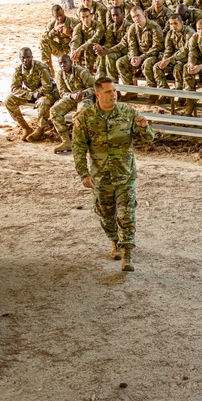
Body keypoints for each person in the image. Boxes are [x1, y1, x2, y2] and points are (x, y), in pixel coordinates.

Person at [72, 77, 154, 271]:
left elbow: (149, 139)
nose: (113, 95)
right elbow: (78, 148)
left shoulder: (127, 112)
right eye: (108, 92)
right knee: (106, 215)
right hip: (101, 177)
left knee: (127, 214)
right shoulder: (85, 117)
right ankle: (114, 241)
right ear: (98, 95)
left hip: (125, 175)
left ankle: (127, 253)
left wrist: (144, 127)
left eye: (115, 91)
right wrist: (83, 173)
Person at [7, 47, 56, 140]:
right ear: (19, 58)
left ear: (32, 57)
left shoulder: (41, 68)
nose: (25, 60)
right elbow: (14, 88)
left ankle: (40, 129)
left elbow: (47, 87)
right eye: (23, 57)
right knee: (9, 100)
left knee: (43, 102)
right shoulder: (18, 70)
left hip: (44, 93)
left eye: (28, 57)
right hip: (31, 94)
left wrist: (36, 93)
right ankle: (25, 127)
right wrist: (31, 94)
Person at [51, 53, 96, 153]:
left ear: (70, 62)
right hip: (71, 97)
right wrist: (71, 96)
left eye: (65, 62)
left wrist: (84, 93)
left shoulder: (81, 72)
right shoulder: (60, 75)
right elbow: (62, 92)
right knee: (54, 111)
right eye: (60, 63)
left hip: (85, 97)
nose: (63, 65)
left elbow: (95, 87)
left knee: (80, 114)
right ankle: (66, 141)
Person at [153, 13, 196, 93]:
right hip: (174, 59)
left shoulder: (189, 32)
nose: (173, 26)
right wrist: (164, 60)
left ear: (182, 23)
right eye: (171, 24)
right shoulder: (170, 33)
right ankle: (165, 93)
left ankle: (181, 93)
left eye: (175, 23)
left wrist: (169, 60)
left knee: (178, 68)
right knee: (157, 67)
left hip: (187, 59)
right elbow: (168, 50)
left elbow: (186, 51)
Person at [95, 5, 129, 84]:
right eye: (113, 15)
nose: (115, 17)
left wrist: (107, 51)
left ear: (123, 14)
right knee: (101, 55)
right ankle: (101, 83)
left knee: (110, 56)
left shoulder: (129, 26)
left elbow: (123, 44)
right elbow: (109, 42)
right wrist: (102, 48)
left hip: (126, 51)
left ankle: (113, 85)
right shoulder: (111, 27)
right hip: (115, 50)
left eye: (118, 14)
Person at [40, 4, 79, 70]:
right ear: (53, 16)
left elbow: (81, 37)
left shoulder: (73, 22)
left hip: (73, 49)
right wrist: (54, 30)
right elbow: (45, 37)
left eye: (61, 15)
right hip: (61, 49)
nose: (59, 18)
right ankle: (49, 72)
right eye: (57, 16)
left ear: (63, 12)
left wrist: (70, 34)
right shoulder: (52, 24)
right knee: (43, 42)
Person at [70, 7, 104, 74]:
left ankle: (90, 74)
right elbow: (76, 39)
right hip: (84, 50)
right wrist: (73, 50)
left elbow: (94, 39)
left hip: (98, 49)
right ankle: (78, 75)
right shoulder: (78, 27)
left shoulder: (99, 26)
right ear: (80, 18)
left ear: (91, 16)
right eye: (83, 17)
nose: (86, 19)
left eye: (87, 16)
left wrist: (80, 49)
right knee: (74, 54)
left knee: (88, 49)